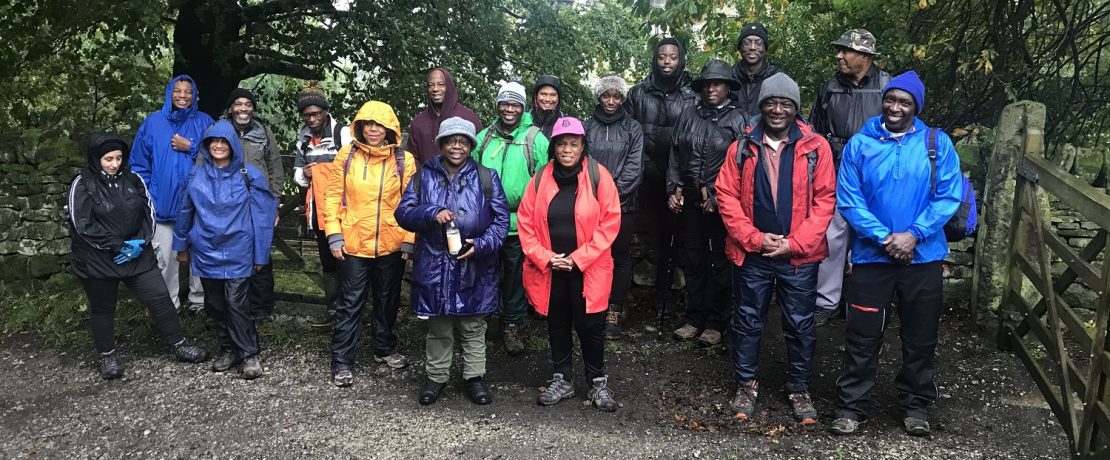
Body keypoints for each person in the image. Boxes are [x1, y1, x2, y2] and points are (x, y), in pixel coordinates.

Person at [829, 71, 962, 437]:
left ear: (915, 107)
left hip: (924, 258)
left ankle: (916, 406)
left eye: (904, 102)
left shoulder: (937, 143)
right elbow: (849, 199)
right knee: (862, 335)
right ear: (882, 100)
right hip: (874, 258)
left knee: (920, 337)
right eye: (891, 100)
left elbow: (949, 195)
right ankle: (851, 407)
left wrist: (914, 235)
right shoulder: (861, 144)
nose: (895, 108)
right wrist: (886, 237)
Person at [714, 74, 836, 425]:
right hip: (752, 253)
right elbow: (726, 196)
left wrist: (794, 244)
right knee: (748, 320)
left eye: (785, 104)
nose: (778, 110)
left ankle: (799, 388)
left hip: (799, 256)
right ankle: (746, 384)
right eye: (771, 103)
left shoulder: (816, 148)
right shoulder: (741, 147)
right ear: (762, 106)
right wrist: (753, 238)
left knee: (799, 323)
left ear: (796, 109)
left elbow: (825, 200)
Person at [69, 134, 209, 380]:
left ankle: (179, 343)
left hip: (137, 254)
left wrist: (140, 243)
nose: (114, 164)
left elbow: (149, 214)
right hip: (97, 259)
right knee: (103, 307)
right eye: (108, 159)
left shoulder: (133, 180)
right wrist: (117, 246)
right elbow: (82, 224)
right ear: (96, 159)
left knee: (159, 297)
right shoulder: (83, 183)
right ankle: (107, 356)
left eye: (119, 158)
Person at [395, 117, 510, 404]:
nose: (456, 146)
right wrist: (431, 212)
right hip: (434, 264)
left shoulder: (487, 177)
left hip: (474, 266)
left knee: (473, 326)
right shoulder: (424, 176)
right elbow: (403, 213)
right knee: (439, 327)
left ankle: (475, 379)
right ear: (441, 144)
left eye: (462, 141)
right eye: (450, 140)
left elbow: (501, 221)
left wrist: (481, 245)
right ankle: (436, 378)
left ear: (471, 145)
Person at [518, 117, 622, 411]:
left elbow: (610, 223)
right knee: (558, 323)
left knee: (590, 326)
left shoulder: (599, 176)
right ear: (553, 147)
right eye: (561, 143)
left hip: (588, 268)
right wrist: (545, 257)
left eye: (573, 144)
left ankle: (597, 382)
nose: (567, 149)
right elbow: (525, 224)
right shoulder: (540, 179)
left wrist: (578, 259)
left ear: (582, 146)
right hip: (550, 269)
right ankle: (562, 379)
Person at [173, 120, 277, 380]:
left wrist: (260, 253)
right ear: (207, 145)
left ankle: (249, 353)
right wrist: (180, 244)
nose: (218, 146)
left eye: (224, 141)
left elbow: (263, 218)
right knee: (215, 304)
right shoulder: (196, 174)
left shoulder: (249, 174)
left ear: (232, 145)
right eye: (213, 142)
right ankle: (227, 348)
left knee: (236, 302)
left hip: (239, 248)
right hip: (206, 248)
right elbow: (185, 210)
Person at [323, 100, 416, 386]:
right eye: (369, 124)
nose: (374, 130)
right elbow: (332, 196)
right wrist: (333, 234)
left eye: (380, 125)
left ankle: (384, 347)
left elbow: (412, 202)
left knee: (387, 300)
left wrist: (409, 239)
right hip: (353, 243)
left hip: (391, 242)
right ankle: (342, 361)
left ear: (390, 128)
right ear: (360, 126)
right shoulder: (345, 156)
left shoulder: (404, 160)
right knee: (350, 302)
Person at [809, 29, 890, 326]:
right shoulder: (829, 87)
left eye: (847, 51)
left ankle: (867, 300)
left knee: (872, 233)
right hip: (835, 168)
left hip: (875, 173)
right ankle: (826, 301)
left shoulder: (886, 86)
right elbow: (814, 130)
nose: (839, 56)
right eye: (840, 50)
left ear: (865, 56)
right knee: (833, 232)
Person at [667, 59, 748, 347]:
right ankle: (694, 318)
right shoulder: (689, 115)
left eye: (717, 83)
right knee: (692, 258)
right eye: (707, 84)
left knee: (721, 263)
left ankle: (716, 322)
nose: (711, 88)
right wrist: (672, 189)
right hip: (689, 198)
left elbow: (743, 165)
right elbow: (676, 153)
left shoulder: (738, 119)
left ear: (728, 86)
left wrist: (716, 196)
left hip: (721, 201)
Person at [473, 81, 550, 356]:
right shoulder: (483, 138)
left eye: (514, 103)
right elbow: (470, 174)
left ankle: (511, 324)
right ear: (497, 106)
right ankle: (480, 321)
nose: (509, 108)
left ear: (522, 106)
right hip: (487, 222)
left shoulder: (535, 139)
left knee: (516, 277)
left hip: (521, 223)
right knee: (484, 273)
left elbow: (545, 181)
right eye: (504, 103)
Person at [625, 38, 697, 321]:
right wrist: (642, 169)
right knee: (635, 237)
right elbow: (629, 133)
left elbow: (694, 139)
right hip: (644, 177)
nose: (667, 62)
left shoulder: (692, 96)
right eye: (662, 57)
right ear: (654, 60)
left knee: (674, 239)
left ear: (680, 60)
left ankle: (667, 299)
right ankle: (627, 300)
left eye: (673, 57)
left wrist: (679, 180)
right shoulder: (637, 94)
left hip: (678, 178)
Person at [130, 75, 214, 314]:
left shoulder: (205, 122)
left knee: (200, 254)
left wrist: (191, 147)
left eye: (188, 92)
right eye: (178, 91)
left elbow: (220, 155)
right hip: (162, 205)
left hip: (199, 204)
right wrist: (149, 194)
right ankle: (170, 306)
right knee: (165, 258)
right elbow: (138, 165)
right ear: (170, 93)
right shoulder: (152, 123)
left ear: (194, 95)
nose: (183, 96)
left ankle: (199, 302)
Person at [585, 74, 643, 339]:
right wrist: (592, 198)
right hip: (589, 204)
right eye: (606, 95)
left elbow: (634, 166)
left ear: (622, 98)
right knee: (592, 256)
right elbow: (580, 161)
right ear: (599, 96)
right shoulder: (586, 127)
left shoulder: (633, 128)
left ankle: (615, 309)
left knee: (619, 256)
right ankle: (592, 306)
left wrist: (611, 197)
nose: (611, 101)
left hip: (624, 204)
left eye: (616, 96)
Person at [224, 88, 284, 321]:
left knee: (261, 254)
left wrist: (275, 203)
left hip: (259, 204)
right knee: (231, 252)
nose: (243, 109)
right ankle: (231, 308)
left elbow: (275, 168)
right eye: (238, 104)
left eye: (247, 104)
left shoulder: (264, 132)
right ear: (230, 108)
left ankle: (262, 309)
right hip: (227, 203)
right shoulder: (219, 131)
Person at [292, 81, 352, 313]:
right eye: (306, 115)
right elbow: (297, 176)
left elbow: (353, 167)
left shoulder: (343, 133)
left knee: (347, 257)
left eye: (316, 113)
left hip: (344, 207)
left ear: (325, 111)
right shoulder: (303, 140)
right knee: (327, 259)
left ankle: (350, 307)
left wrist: (326, 169)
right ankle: (333, 308)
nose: (311, 119)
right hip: (318, 209)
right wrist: (307, 174)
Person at [406, 67, 484, 166]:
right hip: (426, 179)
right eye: (431, 85)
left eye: (441, 84)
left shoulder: (469, 118)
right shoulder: (418, 123)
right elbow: (412, 160)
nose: (435, 89)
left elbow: (479, 154)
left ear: (449, 86)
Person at [731, 23, 784, 118]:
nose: (752, 47)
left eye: (758, 43)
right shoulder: (729, 77)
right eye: (746, 43)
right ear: (740, 48)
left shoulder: (777, 78)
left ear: (765, 48)